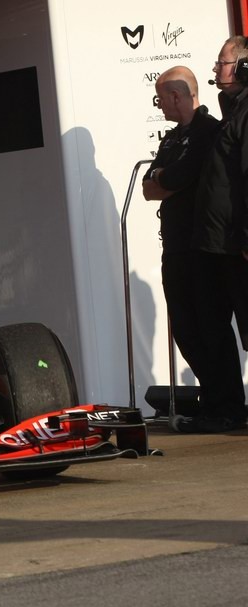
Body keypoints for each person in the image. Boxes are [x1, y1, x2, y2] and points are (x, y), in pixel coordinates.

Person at [181, 36, 248, 433]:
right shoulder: (233, 110)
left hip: (236, 245)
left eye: (222, 62)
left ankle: (228, 407)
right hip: (217, 244)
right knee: (212, 326)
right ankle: (225, 407)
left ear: (243, 66)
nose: (215, 69)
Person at [141, 67, 220, 397]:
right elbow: (149, 187)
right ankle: (213, 396)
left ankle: (227, 403)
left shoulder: (209, 130)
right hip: (174, 247)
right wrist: (165, 177)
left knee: (210, 326)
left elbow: (179, 178)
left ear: (176, 96)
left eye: (160, 98)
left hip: (202, 246)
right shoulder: (172, 137)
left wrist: (166, 177)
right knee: (185, 328)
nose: (159, 105)